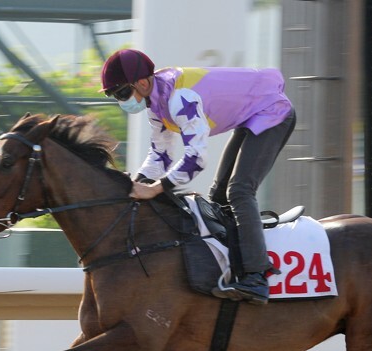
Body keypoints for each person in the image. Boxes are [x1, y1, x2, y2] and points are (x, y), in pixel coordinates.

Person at [100, 49, 296, 305]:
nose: (121, 100)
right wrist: (136, 184)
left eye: (122, 93)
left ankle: (257, 276)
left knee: (239, 191)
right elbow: (161, 154)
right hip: (250, 116)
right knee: (217, 194)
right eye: (115, 96)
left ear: (143, 83)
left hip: (272, 113)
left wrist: (158, 188)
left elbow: (196, 158)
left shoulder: (180, 98)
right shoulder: (154, 104)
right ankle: (233, 267)